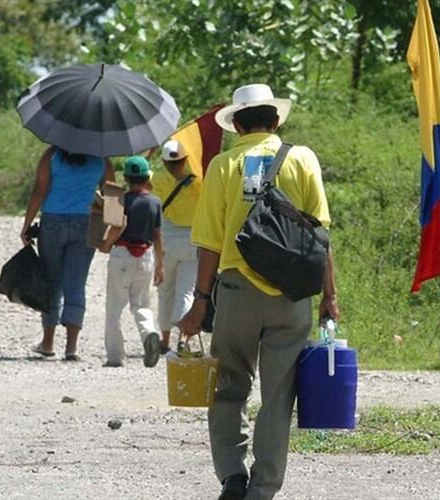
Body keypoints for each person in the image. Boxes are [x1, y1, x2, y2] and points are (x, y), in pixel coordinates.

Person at [180, 83, 339, 500]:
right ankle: (263, 490)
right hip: (291, 295)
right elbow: (319, 234)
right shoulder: (302, 158)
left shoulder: (222, 165)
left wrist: (199, 302)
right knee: (278, 395)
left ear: (236, 124)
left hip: (235, 292)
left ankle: (233, 476)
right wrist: (330, 297)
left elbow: (210, 244)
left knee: (229, 385)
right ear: (275, 120)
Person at [21, 146, 114, 361]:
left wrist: (26, 224)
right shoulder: (102, 158)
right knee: (76, 282)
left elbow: (39, 190)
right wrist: (110, 232)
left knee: (52, 282)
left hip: (53, 221)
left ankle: (48, 342)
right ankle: (72, 348)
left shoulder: (51, 155)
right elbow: (112, 193)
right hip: (87, 221)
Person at [99, 156, 164, 368]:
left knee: (115, 306)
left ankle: (116, 356)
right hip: (145, 255)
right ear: (147, 178)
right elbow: (158, 236)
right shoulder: (155, 202)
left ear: (126, 178)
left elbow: (116, 227)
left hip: (121, 254)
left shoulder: (119, 200)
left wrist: (106, 244)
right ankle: (150, 333)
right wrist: (160, 266)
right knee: (141, 304)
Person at [151, 139, 202, 352]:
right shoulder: (199, 182)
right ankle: (183, 338)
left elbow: (137, 178)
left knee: (165, 292)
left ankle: (164, 339)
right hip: (192, 238)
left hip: (167, 238)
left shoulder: (157, 179)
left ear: (163, 161)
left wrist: (149, 153)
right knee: (186, 292)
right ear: (185, 160)